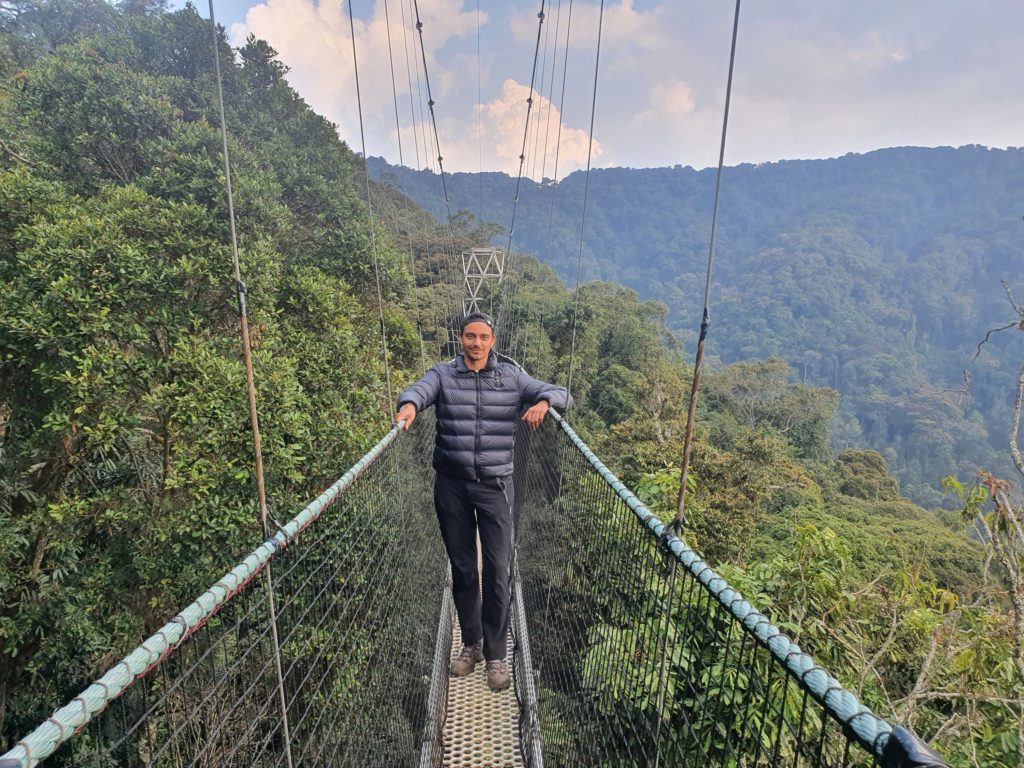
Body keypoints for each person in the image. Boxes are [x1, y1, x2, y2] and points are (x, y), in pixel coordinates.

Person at [395, 312, 571, 691]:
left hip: (495, 485)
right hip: (452, 485)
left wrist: (544, 402)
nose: (476, 343)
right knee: (462, 567)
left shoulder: (510, 377)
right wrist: (408, 405)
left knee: (497, 569)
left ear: (493, 340)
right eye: (470, 336)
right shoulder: (443, 374)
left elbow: (562, 393)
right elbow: (419, 390)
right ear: (461, 339)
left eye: (483, 337)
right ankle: (471, 645)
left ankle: (496, 656)